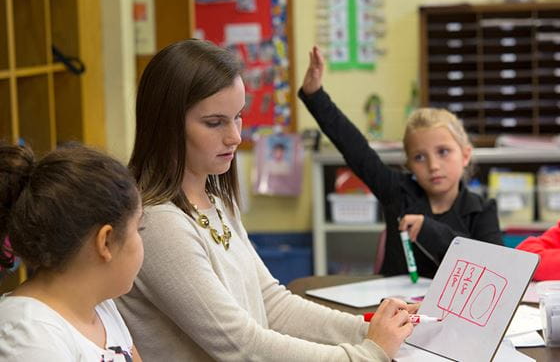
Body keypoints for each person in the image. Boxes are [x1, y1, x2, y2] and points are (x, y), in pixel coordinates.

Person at [118, 39, 416, 361]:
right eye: (214, 122)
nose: (235, 136)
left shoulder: (214, 199)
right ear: (167, 124)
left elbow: (271, 303)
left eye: (238, 117)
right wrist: (366, 354)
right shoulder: (158, 222)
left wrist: (368, 330)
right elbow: (241, 346)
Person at [299, 46, 502, 279]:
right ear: (409, 165)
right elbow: (355, 148)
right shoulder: (398, 192)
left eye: (443, 152)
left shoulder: (482, 211)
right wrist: (315, 96)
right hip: (396, 309)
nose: (433, 165)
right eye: (419, 157)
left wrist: (430, 231)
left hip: (454, 312)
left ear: (465, 155)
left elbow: (494, 270)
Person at [0, 143, 144, 361]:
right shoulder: (29, 334)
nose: (141, 240)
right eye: (138, 229)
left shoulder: (101, 307)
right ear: (105, 242)